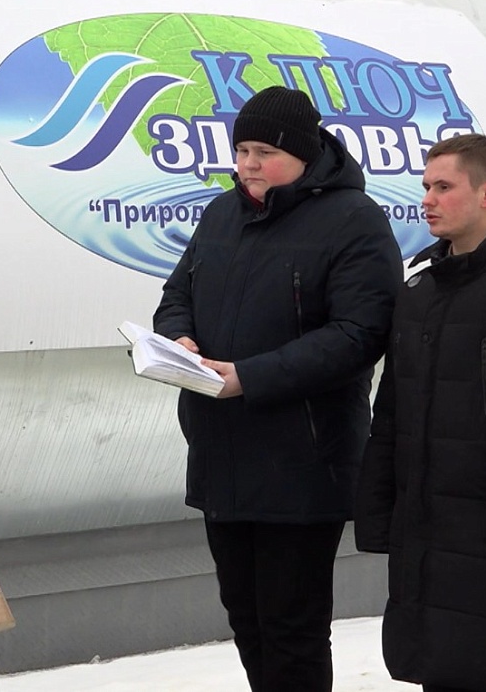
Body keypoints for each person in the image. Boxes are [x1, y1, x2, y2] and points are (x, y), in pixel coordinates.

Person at [151, 86, 403, 691]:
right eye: (241, 149)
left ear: (304, 151)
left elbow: (359, 333)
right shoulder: (222, 213)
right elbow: (177, 294)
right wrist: (178, 340)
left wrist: (251, 377)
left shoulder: (353, 220)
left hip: (302, 462)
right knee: (247, 620)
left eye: (264, 150)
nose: (248, 164)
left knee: (292, 628)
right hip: (221, 451)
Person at [356, 133, 486, 692]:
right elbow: (391, 411)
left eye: (443, 187)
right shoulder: (420, 292)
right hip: (426, 533)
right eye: (425, 187)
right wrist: (378, 504)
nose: (427, 199)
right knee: (441, 668)